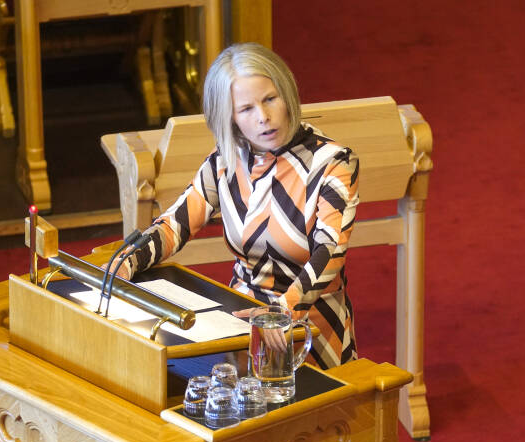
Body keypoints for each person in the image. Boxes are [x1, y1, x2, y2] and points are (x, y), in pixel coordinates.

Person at [117, 43, 360, 368]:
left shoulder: (332, 163)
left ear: (286, 93)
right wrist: (127, 261)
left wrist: (282, 311)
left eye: (270, 99)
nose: (264, 117)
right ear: (229, 117)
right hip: (242, 320)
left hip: (312, 325)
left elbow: (331, 252)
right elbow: (175, 225)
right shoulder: (226, 161)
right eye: (246, 109)